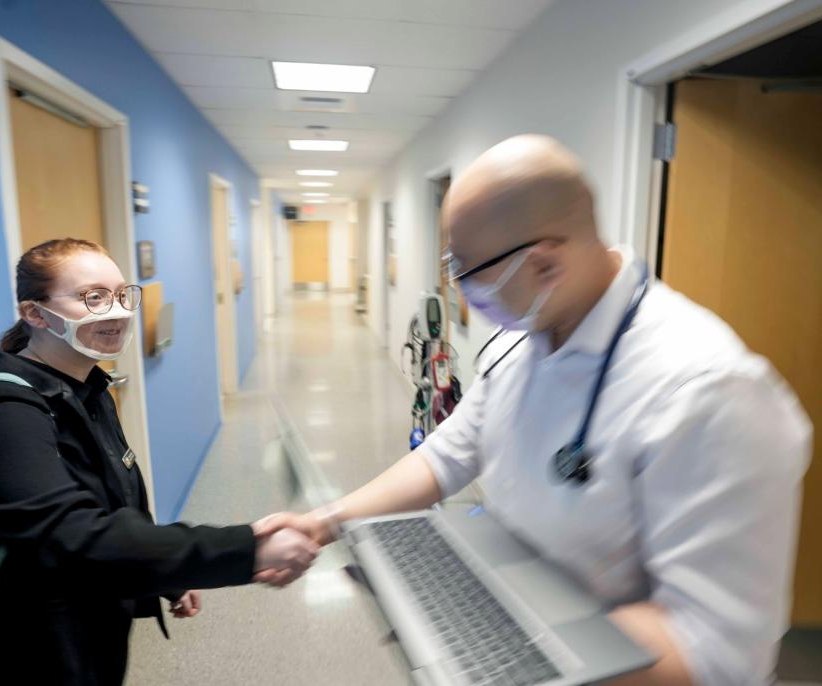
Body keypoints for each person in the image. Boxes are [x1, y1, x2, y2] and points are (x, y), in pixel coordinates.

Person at [256, 135, 812, 685]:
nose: (463, 291)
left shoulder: (709, 390)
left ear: (544, 264)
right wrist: (325, 523)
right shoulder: (529, 332)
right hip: (520, 624)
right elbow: (449, 452)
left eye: (469, 272)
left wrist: (505, 646)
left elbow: (715, 653)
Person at [0, 238, 318, 685]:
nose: (115, 311)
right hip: (29, 653)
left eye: (120, 294)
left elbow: (116, 505)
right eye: (91, 297)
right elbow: (75, 538)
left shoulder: (87, 388)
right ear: (34, 314)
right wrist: (247, 548)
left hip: (91, 626)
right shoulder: (0, 413)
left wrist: (164, 572)